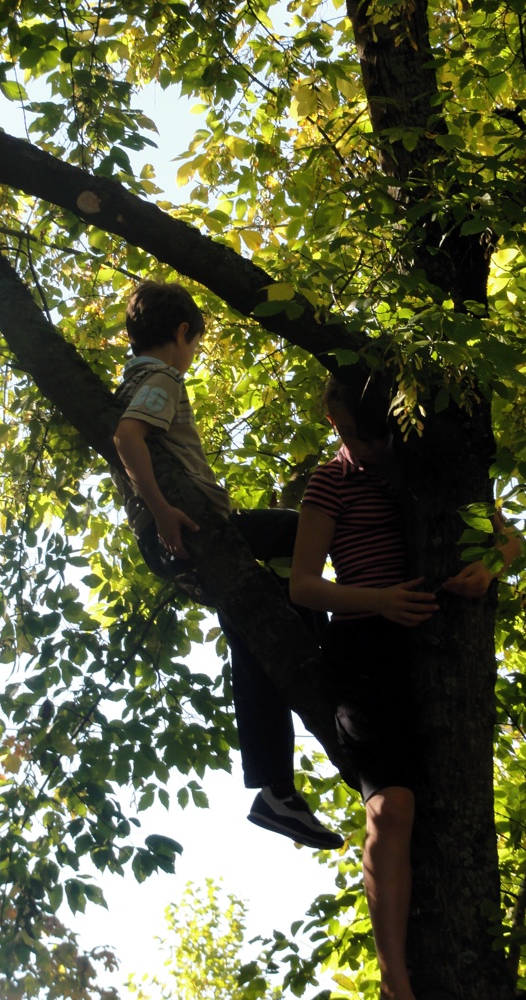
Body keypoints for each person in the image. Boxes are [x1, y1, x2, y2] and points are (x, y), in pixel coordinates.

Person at [289, 373, 522, 1000]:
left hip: (438, 648)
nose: (351, 442)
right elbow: (304, 585)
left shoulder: (431, 469)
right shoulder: (330, 480)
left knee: (441, 806)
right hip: (366, 648)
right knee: (392, 807)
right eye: (341, 430)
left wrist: (489, 568)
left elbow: (511, 540)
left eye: (358, 431)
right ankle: (395, 976)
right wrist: (380, 601)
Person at [111, 278, 342, 851]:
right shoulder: (161, 377)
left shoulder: (130, 378)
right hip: (198, 528)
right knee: (305, 526)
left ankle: (274, 791)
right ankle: (330, 651)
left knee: (252, 624)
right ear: (182, 333)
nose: (192, 357)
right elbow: (128, 436)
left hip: (182, 537)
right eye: (194, 345)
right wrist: (164, 511)